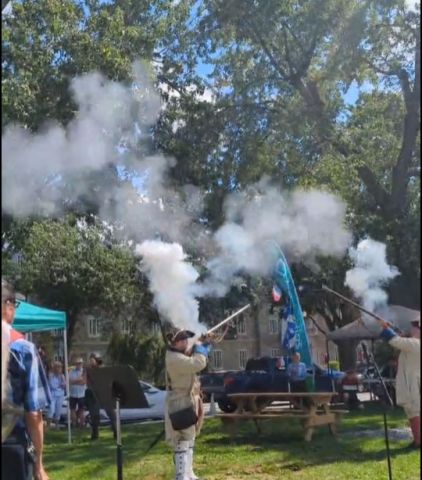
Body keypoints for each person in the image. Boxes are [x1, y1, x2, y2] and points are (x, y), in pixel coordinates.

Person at [2, 279, 51, 480]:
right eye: (14, 304)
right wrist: (39, 464)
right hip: (11, 446)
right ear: (7, 306)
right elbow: (33, 414)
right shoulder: (23, 348)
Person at [165, 329, 211, 480]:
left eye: (187, 340)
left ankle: (188, 473)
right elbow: (197, 363)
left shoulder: (179, 354)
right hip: (179, 402)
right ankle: (180, 475)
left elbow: (195, 358)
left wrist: (205, 344)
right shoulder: (174, 358)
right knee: (182, 439)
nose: (186, 342)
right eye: (182, 340)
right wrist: (200, 347)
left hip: (187, 400)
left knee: (190, 438)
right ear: (174, 343)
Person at [380, 317, 420, 449]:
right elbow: (401, 341)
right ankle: (417, 440)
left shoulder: (414, 343)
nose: (411, 329)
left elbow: (394, 340)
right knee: (413, 412)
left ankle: (419, 441)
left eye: (414, 326)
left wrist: (385, 327)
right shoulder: (413, 343)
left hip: (412, 384)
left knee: (414, 413)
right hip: (414, 382)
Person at [85, 352, 117, 440]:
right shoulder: (89, 370)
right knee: (94, 416)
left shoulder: (104, 369)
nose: (91, 362)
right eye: (90, 360)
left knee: (112, 415)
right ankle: (95, 435)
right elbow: (87, 382)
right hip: (94, 394)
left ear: (97, 360)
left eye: (92, 360)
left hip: (105, 394)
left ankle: (116, 433)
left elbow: (110, 381)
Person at [47, 361, 66, 429]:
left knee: (58, 411)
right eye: (58, 367)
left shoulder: (62, 376)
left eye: (60, 367)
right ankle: (48, 426)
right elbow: (52, 385)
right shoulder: (51, 375)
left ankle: (57, 426)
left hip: (60, 395)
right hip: (52, 394)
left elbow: (64, 385)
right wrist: (60, 385)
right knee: (51, 410)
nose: (59, 369)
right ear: (54, 368)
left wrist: (61, 384)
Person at [69, 357, 86, 428]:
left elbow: (83, 382)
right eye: (77, 363)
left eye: (80, 363)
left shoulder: (84, 372)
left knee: (82, 409)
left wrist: (75, 381)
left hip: (82, 394)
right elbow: (70, 381)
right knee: (72, 409)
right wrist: (79, 380)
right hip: (73, 393)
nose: (79, 364)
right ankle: (74, 424)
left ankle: (81, 424)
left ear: (82, 364)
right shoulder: (71, 372)